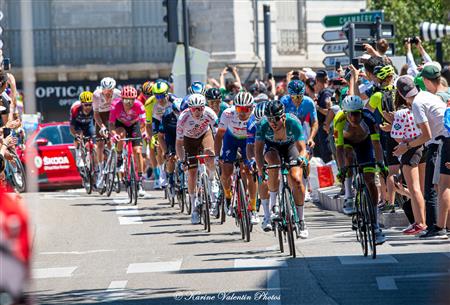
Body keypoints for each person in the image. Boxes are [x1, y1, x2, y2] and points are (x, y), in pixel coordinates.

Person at [394, 75, 447, 238]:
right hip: (442, 139)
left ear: (401, 94)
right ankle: (442, 226)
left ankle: (435, 228)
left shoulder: (417, 104)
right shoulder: (426, 95)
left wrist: (406, 146)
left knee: (436, 187)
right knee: (439, 186)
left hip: (441, 142)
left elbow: (426, 134)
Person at [334, 95, 387, 244]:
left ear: (361, 112)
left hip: (365, 144)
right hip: (347, 144)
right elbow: (339, 149)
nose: (353, 117)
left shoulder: (369, 119)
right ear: (345, 113)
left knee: (370, 180)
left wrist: (381, 163)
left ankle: (375, 224)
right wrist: (342, 169)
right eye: (350, 114)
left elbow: (376, 144)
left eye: (356, 113)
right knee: (348, 157)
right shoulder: (339, 120)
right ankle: (349, 197)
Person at [255, 100, 309, 238]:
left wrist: (302, 159)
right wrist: (261, 170)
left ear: (283, 117)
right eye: (270, 119)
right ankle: (274, 206)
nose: (273, 122)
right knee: (273, 162)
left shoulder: (293, 123)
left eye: (276, 119)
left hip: (291, 147)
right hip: (272, 148)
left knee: (296, 180)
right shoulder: (263, 125)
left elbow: (302, 149)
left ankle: (301, 220)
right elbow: (258, 151)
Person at [214, 92, 258, 223]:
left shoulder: (256, 115)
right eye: (239, 109)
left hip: (248, 141)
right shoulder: (228, 113)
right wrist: (217, 155)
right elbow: (219, 136)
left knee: (250, 172)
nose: (243, 113)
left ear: (252, 108)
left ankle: (253, 208)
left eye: (246, 109)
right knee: (226, 171)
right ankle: (228, 196)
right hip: (231, 139)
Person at [175, 94, 218, 224]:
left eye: (200, 108)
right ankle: (194, 207)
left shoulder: (210, 113)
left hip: (205, 134)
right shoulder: (183, 118)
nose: (198, 111)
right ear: (190, 109)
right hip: (189, 141)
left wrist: (217, 154)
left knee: (209, 153)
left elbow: (218, 133)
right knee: (192, 173)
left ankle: (212, 180)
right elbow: (178, 143)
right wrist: (182, 159)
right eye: (194, 109)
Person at [109, 86, 146, 197]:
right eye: (126, 100)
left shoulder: (139, 105)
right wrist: (114, 134)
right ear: (121, 99)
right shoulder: (115, 105)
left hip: (134, 125)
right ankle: (120, 157)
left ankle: (139, 181)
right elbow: (111, 124)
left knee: (138, 151)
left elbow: (144, 123)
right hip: (121, 125)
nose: (129, 103)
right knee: (120, 135)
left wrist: (143, 132)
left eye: (131, 100)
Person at [246, 101, 271, 231]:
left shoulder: (274, 120)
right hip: (260, 148)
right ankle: (267, 215)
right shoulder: (252, 125)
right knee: (262, 177)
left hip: (273, 145)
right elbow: (250, 147)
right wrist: (252, 161)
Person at [92, 77, 121, 188]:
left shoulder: (118, 94)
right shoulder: (96, 95)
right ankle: (100, 170)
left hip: (112, 116)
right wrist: (102, 127)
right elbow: (96, 114)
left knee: (111, 142)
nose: (108, 93)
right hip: (101, 117)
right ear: (102, 89)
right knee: (100, 144)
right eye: (106, 91)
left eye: (110, 91)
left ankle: (113, 169)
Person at [145, 81, 173, 189]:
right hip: (158, 123)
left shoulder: (174, 100)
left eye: (162, 95)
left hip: (171, 122)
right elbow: (149, 124)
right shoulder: (150, 104)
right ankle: (162, 172)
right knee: (158, 146)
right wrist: (152, 137)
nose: (160, 99)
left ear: (167, 93)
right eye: (157, 96)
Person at [159, 98, 183, 200]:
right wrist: (165, 151)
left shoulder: (187, 115)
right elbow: (160, 136)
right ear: (173, 110)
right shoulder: (166, 116)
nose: (179, 113)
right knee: (171, 157)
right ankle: (171, 179)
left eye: (181, 111)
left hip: (183, 135)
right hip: (171, 136)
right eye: (177, 112)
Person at [70, 91, 96, 169]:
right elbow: (72, 127)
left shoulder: (94, 109)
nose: (88, 107)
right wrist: (76, 136)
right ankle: (79, 155)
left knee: (94, 136)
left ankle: (94, 164)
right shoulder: (75, 109)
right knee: (79, 135)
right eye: (86, 105)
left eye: (90, 104)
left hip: (89, 124)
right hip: (78, 125)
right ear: (81, 104)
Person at [313, 70, 333, 163]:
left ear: (316, 80)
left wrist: (317, 107)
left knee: (326, 159)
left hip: (325, 131)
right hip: (322, 131)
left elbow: (329, 111)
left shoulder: (326, 93)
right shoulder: (323, 93)